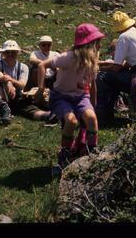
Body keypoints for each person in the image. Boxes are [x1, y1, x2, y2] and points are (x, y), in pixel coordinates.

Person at [35, 23, 105, 169]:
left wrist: (93, 105)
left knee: (92, 118)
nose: (99, 46)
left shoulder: (92, 62)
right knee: (71, 121)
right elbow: (42, 65)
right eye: (96, 43)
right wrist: (41, 89)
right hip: (61, 96)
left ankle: (89, 152)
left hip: (81, 97)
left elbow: (92, 86)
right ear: (88, 45)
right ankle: (65, 153)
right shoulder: (68, 57)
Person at [0, 40, 50, 124]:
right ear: (3, 53)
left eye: (13, 52)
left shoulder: (23, 67)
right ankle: (3, 108)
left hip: (17, 97)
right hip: (1, 95)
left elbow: (22, 85)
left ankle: (48, 115)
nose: (10, 54)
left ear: (17, 53)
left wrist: (10, 80)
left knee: (29, 108)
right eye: (8, 52)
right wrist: (8, 82)